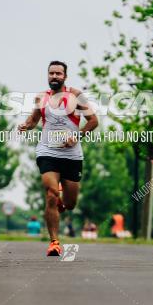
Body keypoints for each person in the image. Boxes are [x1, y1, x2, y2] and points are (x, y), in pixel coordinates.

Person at [17, 60, 98, 256]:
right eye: (51, 73)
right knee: (51, 194)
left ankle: (63, 201)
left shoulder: (76, 95)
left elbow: (94, 121)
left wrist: (77, 136)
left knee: (70, 204)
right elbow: (34, 120)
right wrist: (26, 125)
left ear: (65, 77)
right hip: (47, 152)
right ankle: (54, 242)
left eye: (58, 74)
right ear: (47, 76)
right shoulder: (41, 98)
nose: (54, 76)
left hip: (72, 155)